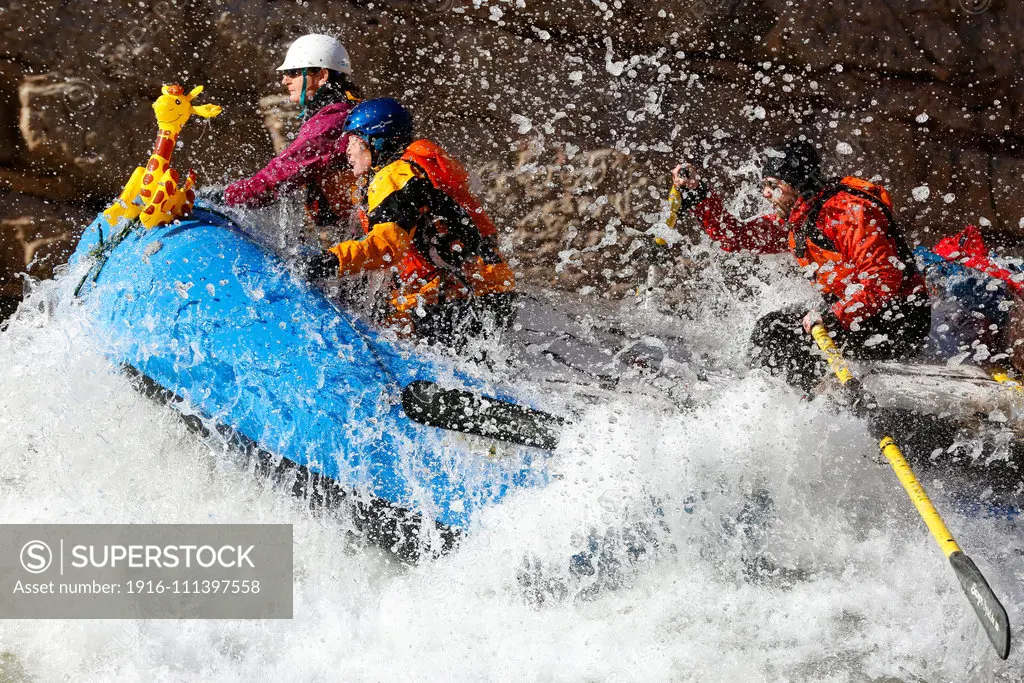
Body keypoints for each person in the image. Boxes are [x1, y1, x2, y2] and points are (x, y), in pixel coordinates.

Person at [668, 137, 931, 392]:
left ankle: (803, 404)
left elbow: (883, 277)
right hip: (860, 315)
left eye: (773, 184)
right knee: (771, 328)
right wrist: (699, 195)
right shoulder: (800, 217)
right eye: (765, 185)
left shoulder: (846, 211)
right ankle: (787, 399)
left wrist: (834, 315)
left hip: (898, 323)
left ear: (795, 182)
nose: (766, 193)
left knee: (781, 336)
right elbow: (737, 237)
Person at [306, 98, 517, 351]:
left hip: (454, 299)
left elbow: (386, 247)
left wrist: (329, 261)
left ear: (376, 142)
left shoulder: (395, 175)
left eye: (353, 141)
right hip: (491, 293)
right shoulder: (420, 169)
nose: (347, 150)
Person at [222, 34, 362, 233]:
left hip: (358, 234)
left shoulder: (332, 121)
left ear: (322, 76)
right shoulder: (336, 111)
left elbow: (282, 173)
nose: (284, 80)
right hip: (348, 228)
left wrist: (225, 197)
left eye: (294, 72)